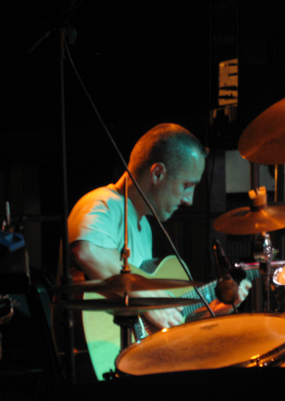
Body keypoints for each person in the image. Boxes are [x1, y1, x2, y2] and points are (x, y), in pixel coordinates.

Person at [58, 123, 252, 379]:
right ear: (158, 173)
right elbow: (86, 251)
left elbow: (151, 322)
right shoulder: (102, 203)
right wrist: (147, 300)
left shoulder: (144, 228)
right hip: (87, 363)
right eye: (186, 185)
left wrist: (209, 309)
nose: (189, 200)